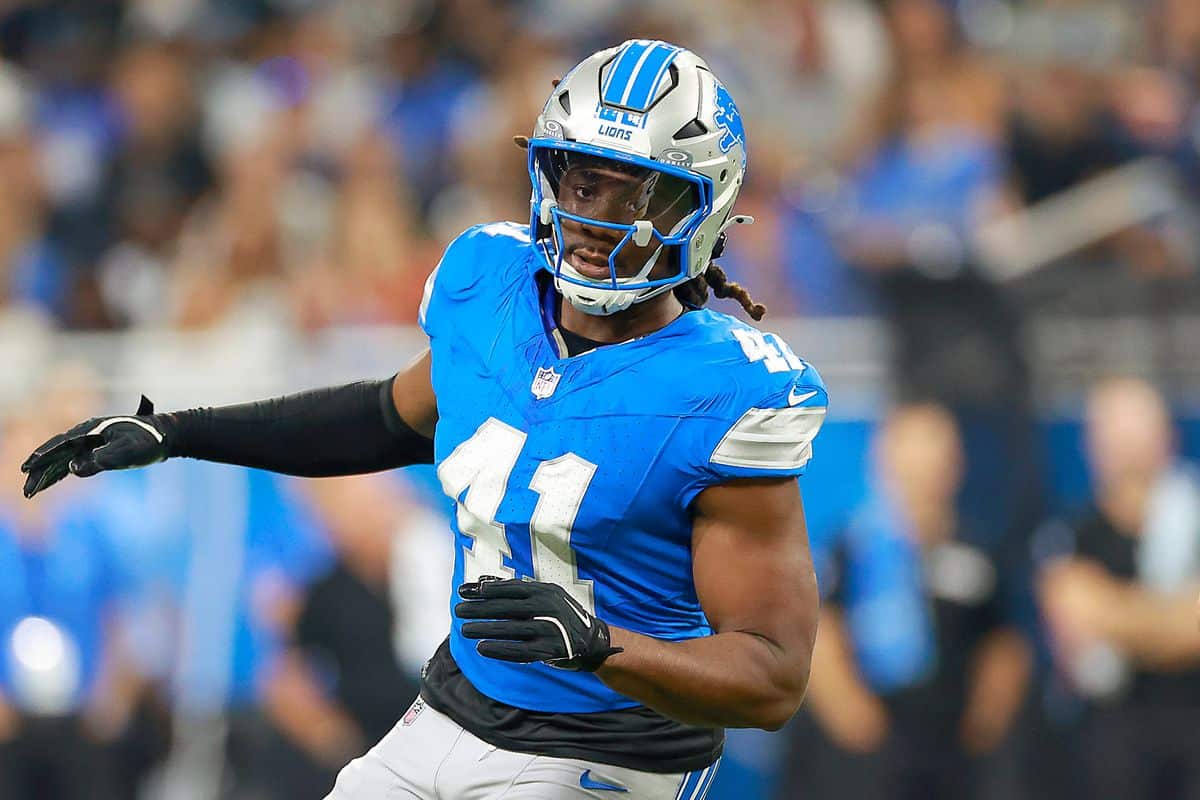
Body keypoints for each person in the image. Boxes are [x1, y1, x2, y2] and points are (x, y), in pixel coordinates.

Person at [20, 40, 829, 799]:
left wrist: (602, 645)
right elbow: (384, 417)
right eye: (586, 183)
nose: (599, 218)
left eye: (643, 193)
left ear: (706, 210)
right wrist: (179, 433)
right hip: (451, 704)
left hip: (611, 747)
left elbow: (773, 676)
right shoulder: (491, 283)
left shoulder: (725, 390)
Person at [780, 404, 1029, 800]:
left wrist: (984, 723)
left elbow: (1004, 642)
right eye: (917, 449)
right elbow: (819, 638)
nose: (929, 465)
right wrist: (860, 727)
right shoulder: (852, 549)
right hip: (868, 762)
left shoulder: (978, 553)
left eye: (940, 450)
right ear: (886, 458)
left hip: (950, 757)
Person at [1035, 377, 1200, 800]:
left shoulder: (1192, 519)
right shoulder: (1071, 536)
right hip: (1111, 749)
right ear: (1092, 448)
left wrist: (1114, 614)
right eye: (1117, 441)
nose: (1129, 456)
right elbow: (1073, 623)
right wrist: (1172, 620)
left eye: (1139, 439)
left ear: (1168, 440)